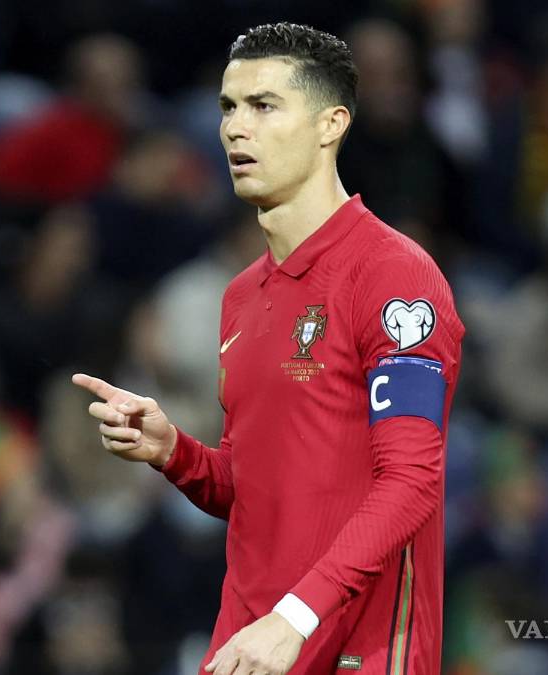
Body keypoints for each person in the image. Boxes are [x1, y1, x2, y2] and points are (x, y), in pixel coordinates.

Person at [72, 22, 465, 675]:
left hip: (354, 649)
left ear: (330, 124)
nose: (235, 128)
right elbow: (258, 491)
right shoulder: (241, 296)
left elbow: (411, 480)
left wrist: (295, 617)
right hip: (249, 644)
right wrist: (175, 454)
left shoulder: (394, 275)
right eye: (228, 107)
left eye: (263, 106)